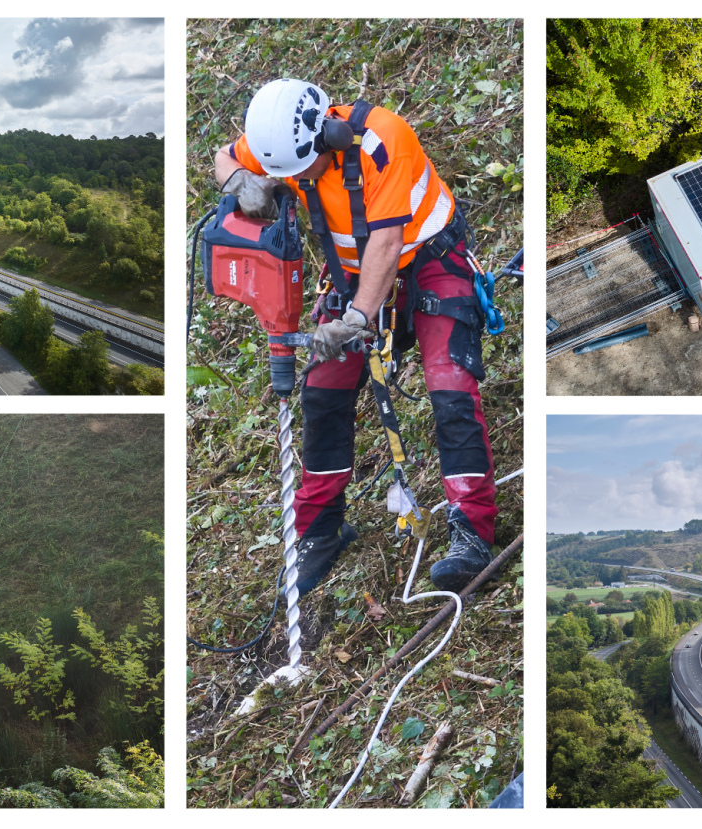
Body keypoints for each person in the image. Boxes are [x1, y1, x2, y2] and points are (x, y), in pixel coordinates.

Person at [213, 78, 498, 595]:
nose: (297, 178)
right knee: (322, 394)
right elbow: (224, 157)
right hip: (351, 274)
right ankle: (321, 530)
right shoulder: (280, 141)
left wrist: (357, 320)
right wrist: (240, 183)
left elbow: (387, 243)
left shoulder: (383, 140)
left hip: (429, 258)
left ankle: (471, 530)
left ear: (330, 133)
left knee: (450, 386)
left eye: (303, 168)